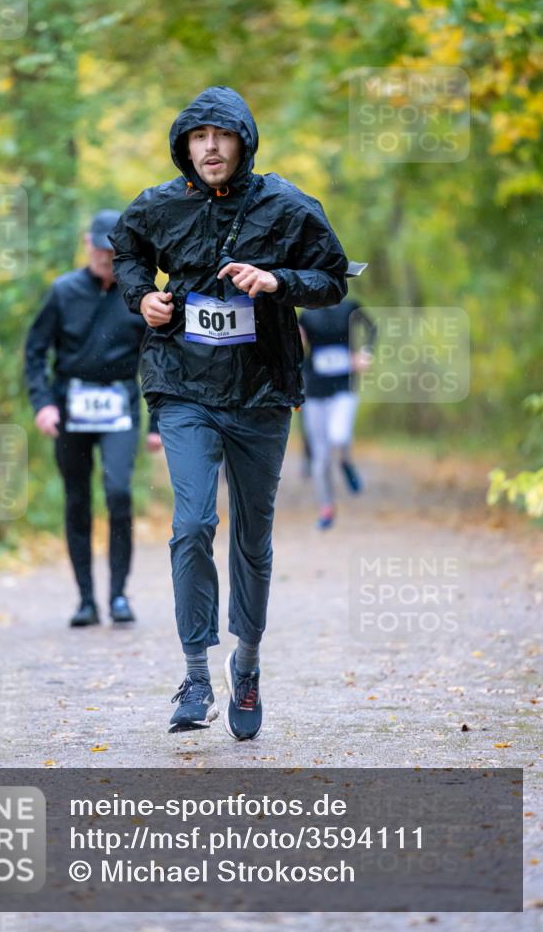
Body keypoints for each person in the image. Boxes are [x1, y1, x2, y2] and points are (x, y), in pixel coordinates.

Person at [110, 86, 348, 739]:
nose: (209, 147)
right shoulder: (160, 204)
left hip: (262, 391)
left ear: (242, 141)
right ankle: (194, 674)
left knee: (250, 538)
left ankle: (245, 665)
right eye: (198, 137)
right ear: (184, 146)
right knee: (192, 523)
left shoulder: (287, 206)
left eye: (222, 135)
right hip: (181, 382)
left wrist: (278, 283)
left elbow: (332, 277)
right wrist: (143, 298)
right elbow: (125, 249)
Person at [25, 210, 160, 628]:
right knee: (77, 499)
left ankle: (118, 595)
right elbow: (34, 352)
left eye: (114, 248)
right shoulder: (63, 291)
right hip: (70, 405)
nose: (106, 254)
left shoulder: (138, 296)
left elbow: (156, 360)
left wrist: (156, 423)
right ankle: (86, 599)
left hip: (119, 404)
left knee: (118, 492)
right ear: (87, 244)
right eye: (100, 246)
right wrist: (43, 403)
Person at [299, 297, 376, 530]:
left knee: (339, 436)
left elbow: (372, 327)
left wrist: (365, 353)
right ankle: (326, 508)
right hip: (314, 390)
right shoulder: (307, 313)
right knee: (320, 457)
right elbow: (296, 347)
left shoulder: (350, 308)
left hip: (344, 386)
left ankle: (345, 461)